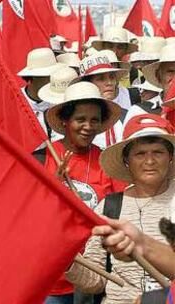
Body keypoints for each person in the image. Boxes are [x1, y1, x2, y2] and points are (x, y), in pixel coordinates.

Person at [66, 114, 175, 303]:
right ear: (127, 161)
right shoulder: (109, 207)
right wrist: (67, 258)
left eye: (158, 152)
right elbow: (96, 280)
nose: (150, 161)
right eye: (140, 154)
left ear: (171, 158)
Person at [33, 81, 121, 303]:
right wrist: (52, 189)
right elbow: (26, 214)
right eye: (80, 119)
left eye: (94, 120)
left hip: (94, 278)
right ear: (65, 120)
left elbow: (120, 211)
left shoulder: (106, 162)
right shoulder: (43, 158)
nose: (88, 126)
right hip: (51, 277)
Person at [76, 53, 127, 150]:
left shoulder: (125, 115)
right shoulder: (74, 120)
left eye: (112, 77)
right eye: (100, 79)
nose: (109, 83)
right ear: (87, 84)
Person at [17, 48, 64, 147]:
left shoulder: (60, 99)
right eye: (48, 75)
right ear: (34, 76)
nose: (52, 79)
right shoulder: (16, 101)